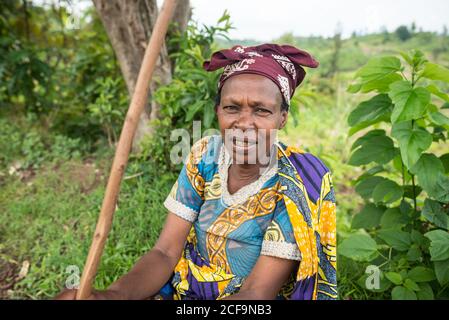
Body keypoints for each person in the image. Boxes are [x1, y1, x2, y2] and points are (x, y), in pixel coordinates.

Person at [56, 43, 337, 300]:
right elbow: (165, 252)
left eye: (261, 111)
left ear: (282, 118)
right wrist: (110, 297)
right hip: (190, 285)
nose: (244, 122)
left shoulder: (294, 186)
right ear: (218, 111)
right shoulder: (206, 156)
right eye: (232, 107)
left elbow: (257, 291)